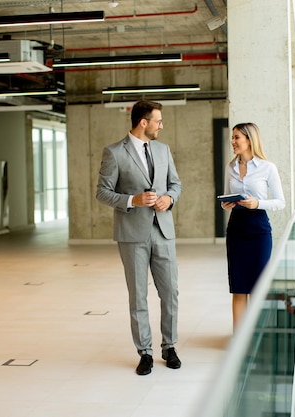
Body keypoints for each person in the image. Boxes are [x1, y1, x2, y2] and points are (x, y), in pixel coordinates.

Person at [96, 100, 183, 376]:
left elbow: (176, 184)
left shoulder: (163, 149)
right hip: (132, 234)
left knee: (170, 292)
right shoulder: (114, 152)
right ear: (143, 122)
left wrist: (169, 198)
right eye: (158, 120)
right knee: (139, 296)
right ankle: (144, 352)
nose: (161, 125)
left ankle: (169, 346)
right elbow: (102, 192)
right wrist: (132, 200)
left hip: (163, 231)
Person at [220, 122, 285, 330]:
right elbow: (225, 199)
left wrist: (257, 203)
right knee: (239, 288)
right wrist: (226, 204)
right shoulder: (230, 168)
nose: (233, 141)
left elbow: (280, 202)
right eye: (233, 137)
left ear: (249, 140)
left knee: (258, 288)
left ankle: (258, 337)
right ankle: (239, 339)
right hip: (236, 229)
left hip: (258, 231)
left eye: (237, 137)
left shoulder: (268, 168)